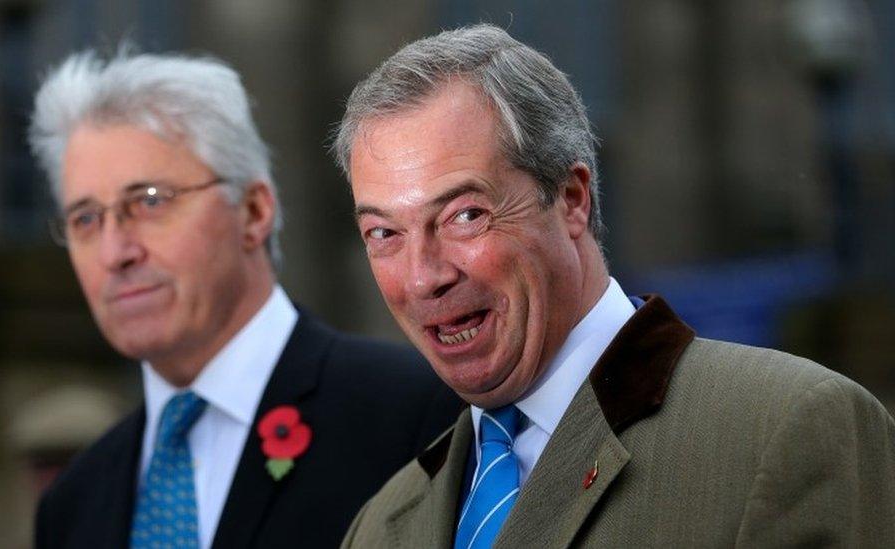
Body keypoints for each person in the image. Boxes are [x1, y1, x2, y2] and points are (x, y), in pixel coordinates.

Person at [333, 24, 895, 548]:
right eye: (384, 232)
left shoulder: (787, 428)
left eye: (464, 215)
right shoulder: (383, 524)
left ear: (572, 200)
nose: (424, 276)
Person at [28, 49, 460, 549]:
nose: (114, 251)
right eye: (85, 219)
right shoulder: (72, 502)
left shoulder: (416, 413)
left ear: (254, 211)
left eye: (149, 202)